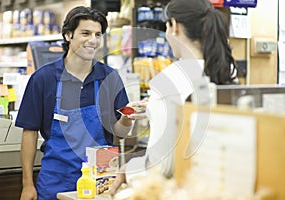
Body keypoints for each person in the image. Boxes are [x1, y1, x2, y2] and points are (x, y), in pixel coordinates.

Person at [110, 0, 238, 195]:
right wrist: (153, 107)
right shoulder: (227, 72)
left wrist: (130, 169)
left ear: (174, 26)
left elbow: (161, 167)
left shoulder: (171, 80)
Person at [15, 6, 133, 200]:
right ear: (68, 35)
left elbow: (120, 132)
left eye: (98, 34)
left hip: (101, 181)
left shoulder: (109, 78)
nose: (93, 40)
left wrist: (128, 120)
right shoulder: (44, 78)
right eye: (85, 33)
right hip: (56, 181)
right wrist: (27, 184)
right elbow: (29, 132)